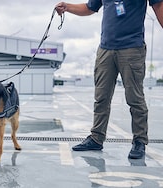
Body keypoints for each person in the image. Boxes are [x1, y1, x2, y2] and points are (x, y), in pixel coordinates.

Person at [55, 0, 163, 159]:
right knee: (101, 98)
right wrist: (67, 7)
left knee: (135, 98)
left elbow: (158, 6)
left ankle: (139, 141)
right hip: (105, 49)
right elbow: (90, 7)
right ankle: (96, 138)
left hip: (132, 48)